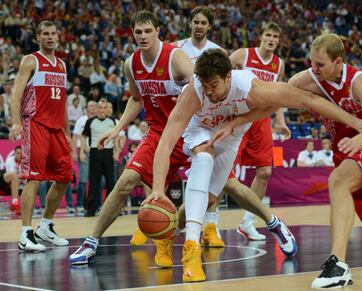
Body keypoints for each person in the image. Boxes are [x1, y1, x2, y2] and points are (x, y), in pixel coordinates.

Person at [142, 48, 362, 282]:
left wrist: (353, 121)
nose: (209, 91)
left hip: (233, 133)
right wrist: (158, 189)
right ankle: (191, 250)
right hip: (201, 130)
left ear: (229, 77)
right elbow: (166, 141)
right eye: (205, 85)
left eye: (215, 85)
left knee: (207, 200)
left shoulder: (251, 87)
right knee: (204, 158)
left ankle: (166, 236)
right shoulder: (194, 93)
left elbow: (307, 99)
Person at [217, 32, 362, 289]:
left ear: (338, 62)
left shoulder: (359, 82)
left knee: (338, 180)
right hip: (347, 152)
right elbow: (273, 102)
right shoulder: (305, 80)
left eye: (320, 64)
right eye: (311, 62)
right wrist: (237, 121)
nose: (314, 68)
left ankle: (338, 265)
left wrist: (357, 141)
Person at [69, 10, 194, 264]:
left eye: (148, 30)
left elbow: (200, 86)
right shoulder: (131, 64)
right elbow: (137, 100)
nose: (143, 36)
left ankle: (270, 222)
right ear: (132, 33)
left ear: (158, 31)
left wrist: (187, 94)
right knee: (125, 181)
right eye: (138, 31)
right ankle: (90, 242)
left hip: (190, 132)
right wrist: (118, 128)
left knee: (211, 190)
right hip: (159, 132)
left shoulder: (175, 57)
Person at [130, 5, 227, 247]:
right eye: (196, 22)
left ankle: (211, 225)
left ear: (209, 26)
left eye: (204, 22)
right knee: (155, 172)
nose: (199, 26)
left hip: (208, 116)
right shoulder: (177, 50)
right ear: (191, 24)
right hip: (180, 118)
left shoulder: (218, 52)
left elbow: (222, 85)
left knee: (219, 178)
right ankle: (154, 221)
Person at [225, 21, 291, 241]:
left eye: (275, 36)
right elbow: (219, 74)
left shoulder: (278, 64)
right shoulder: (242, 55)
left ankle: (247, 222)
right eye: (268, 35)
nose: (271, 39)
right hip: (238, 115)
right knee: (221, 171)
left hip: (262, 119)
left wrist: (280, 121)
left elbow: (279, 95)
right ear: (261, 36)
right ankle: (210, 225)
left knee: (265, 172)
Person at [9, 20, 71, 252]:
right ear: (38, 37)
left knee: (64, 177)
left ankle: (45, 226)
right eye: (45, 34)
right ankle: (25, 233)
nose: (50, 37)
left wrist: (67, 131)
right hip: (35, 123)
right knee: (33, 178)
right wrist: (16, 121)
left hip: (56, 129)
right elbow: (16, 93)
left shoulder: (62, 65)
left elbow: (62, 101)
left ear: (58, 36)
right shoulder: (31, 60)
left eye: (53, 33)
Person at [81, 99, 119, 216]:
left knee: (110, 181)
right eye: (100, 108)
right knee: (94, 181)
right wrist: (83, 150)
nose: (102, 110)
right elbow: (83, 136)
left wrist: (116, 151)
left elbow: (115, 137)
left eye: (104, 108)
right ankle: (91, 209)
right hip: (95, 153)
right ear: (97, 109)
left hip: (108, 153)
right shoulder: (90, 121)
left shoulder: (112, 121)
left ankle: (110, 209)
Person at [71, 100, 97, 215]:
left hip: (97, 152)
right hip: (84, 152)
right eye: (91, 105)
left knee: (96, 180)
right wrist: (74, 152)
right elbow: (75, 137)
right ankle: (80, 204)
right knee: (83, 179)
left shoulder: (98, 121)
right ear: (86, 108)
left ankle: (94, 205)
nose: (93, 107)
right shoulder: (81, 120)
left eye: (95, 106)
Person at [3, 145, 22, 215]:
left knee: (16, 178)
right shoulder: (10, 160)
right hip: (7, 179)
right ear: (15, 153)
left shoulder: (26, 161)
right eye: (18, 153)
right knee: (14, 174)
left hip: (19, 180)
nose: (19, 155)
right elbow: (13, 174)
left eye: (21, 153)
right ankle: (15, 204)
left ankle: (14, 203)